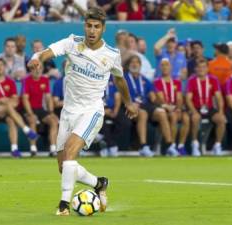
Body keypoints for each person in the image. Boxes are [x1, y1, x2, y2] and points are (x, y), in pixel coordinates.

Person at [27, 7, 138, 215]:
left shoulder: (111, 55)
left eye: (97, 26)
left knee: (70, 152)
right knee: (64, 167)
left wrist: (128, 103)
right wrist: (36, 58)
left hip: (92, 111)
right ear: (84, 26)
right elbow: (46, 52)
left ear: (103, 29)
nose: (92, 30)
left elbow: (120, 80)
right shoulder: (72, 43)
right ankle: (99, 183)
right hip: (68, 112)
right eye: (89, 25)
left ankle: (63, 205)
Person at [124, 55, 178, 156]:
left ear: (140, 65)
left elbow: (153, 97)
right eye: (132, 62)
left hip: (145, 105)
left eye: (137, 62)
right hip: (130, 107)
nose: (135, 64)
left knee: (162, 113)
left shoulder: (144, 79)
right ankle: (144, 146)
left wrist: (164, 105)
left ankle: (170, 145)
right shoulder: (124, 78)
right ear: (128, 65)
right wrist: (130, 103)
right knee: (143, 114)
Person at [0, 58, 38, 158]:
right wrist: (1, 101)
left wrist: (7, 103)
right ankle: (26, 130)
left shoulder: (10, 81)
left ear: (5, 67)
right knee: (8, 106)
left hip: (8, 112)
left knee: (11, 119)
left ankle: (14, 149)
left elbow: (15, 101)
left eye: (1, 65)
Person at [186, 58, 226, 156]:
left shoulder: (213, 79)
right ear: (195, 69)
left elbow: (219, 97)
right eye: (199, 67)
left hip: (209, 108)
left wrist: (221, 111)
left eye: (204, 67)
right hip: (196, 108)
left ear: (208, 68)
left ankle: (217, 145)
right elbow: (188, 99)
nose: (201, 69)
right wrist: (194, 111)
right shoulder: (192, 80)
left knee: (221, 119)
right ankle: (195, 144)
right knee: (195, 118)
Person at [21, 62, 59, 157]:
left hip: (40, 109)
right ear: (31, 70)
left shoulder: (44, 80)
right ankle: (33, 149)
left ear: (42, 70)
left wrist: (51, 112)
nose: (37, 70)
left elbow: (48, 97)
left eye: (39, 68)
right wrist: (30, 113)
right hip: (28, 109)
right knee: (32, 120)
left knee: (53, 121)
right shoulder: (26, 80)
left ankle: (53, 149)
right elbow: (25, 99)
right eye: (34, 68)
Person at [154, 59, 190, 155]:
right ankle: (172, 145)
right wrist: (171, 109)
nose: (165, 67)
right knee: (173, 116)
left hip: (175, 108)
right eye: (162, 65)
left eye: (167, 65)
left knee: (186, 118)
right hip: (164, 108)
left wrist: (178, 108)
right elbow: (161, 98)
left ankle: (181, 146)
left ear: (171, 67)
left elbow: (179, 98)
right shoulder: (157, 82)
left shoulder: (176, 82)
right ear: (160, 68)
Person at [99, 77, 132, 157]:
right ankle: (112, 145)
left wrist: (115, 111)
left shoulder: (113, 80)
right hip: (98, 108)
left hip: (113, 108)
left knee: (126, 123)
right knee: (101, 122)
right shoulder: (94, 78)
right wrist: (102, 110)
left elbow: (117, 96)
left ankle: (105, 140)